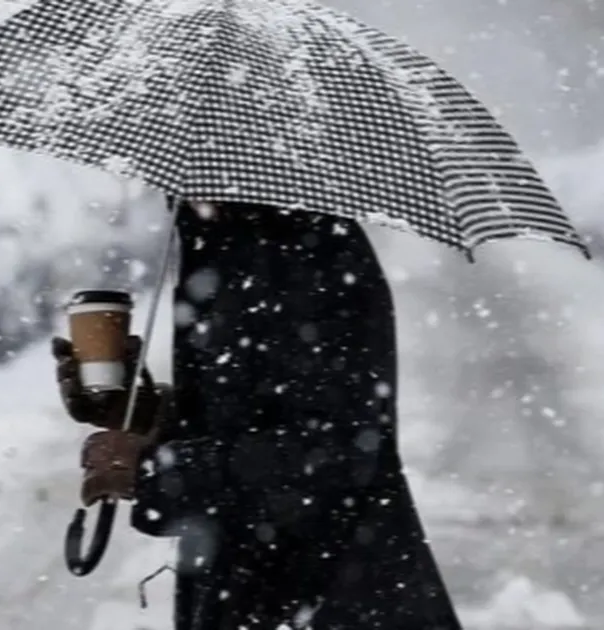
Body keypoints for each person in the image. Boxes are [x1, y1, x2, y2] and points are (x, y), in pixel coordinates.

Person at [53, 201, 462, 630]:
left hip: (328, 593)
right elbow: (244, 412)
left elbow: (334, 453)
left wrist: (159, 472)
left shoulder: (313, 258)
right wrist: (139, 410)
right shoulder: (222, 243)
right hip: (252, 589)